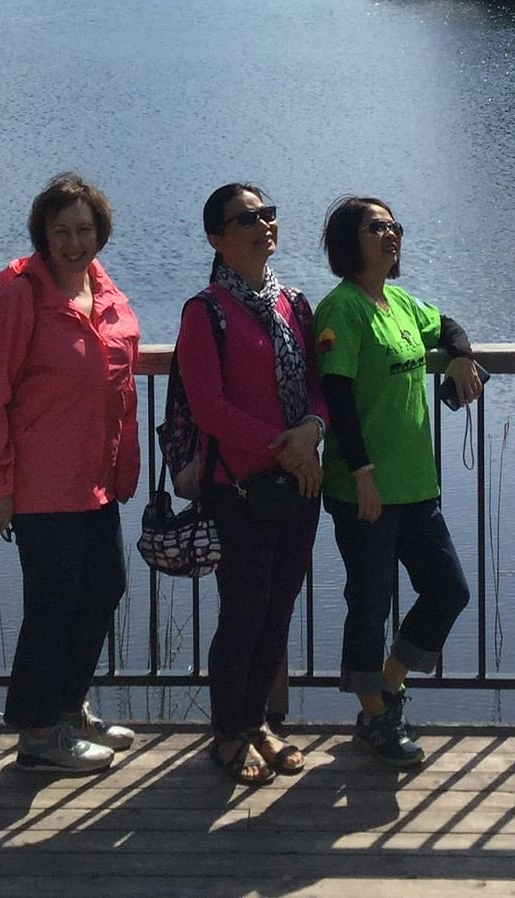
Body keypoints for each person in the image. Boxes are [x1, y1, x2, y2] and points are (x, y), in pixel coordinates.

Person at [0, 172, 142, 772]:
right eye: (60, 230)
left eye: (84, 229)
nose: (73, 241)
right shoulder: (22, 299)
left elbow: (118, 379)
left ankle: (67, 708)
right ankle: (38, 735)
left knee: (103, 589)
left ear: (100, 233)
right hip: (39, 486)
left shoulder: (104, 289)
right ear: (42, 235)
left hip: (95, 481)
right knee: (53, 605)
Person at [315, 195, 483, 768]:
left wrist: (459, 356)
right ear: (348, 241)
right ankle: (376, 715)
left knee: (449, 590)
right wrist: (362, 475)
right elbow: (336, 398)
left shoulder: (400, 302)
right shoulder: (342, 309)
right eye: (376, 228)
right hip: (365, 489)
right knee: (369, 602)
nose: (390, 235)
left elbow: (451, 324)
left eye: (393, 227)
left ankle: (388, 685)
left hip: (417, 486)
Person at [175, 183, 328, 786]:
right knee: (244, 609)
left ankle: (259, 720)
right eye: (246, 219)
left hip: (299, 483)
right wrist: (284, 447)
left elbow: (319, 386)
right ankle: (228, 733)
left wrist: (311, 429)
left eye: (268, 215)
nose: (263, 225)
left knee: (280, 607)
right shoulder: (204, 311)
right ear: (217, 238)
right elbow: (209, 408)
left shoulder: (295, 303)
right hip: (238, 487)